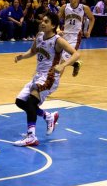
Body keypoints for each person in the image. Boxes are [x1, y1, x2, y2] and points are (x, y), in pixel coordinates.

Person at [13, 12, 80, 147]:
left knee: (31, 102)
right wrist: (22, 56)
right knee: (20, 102)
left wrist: (63, 65)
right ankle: (48, 116)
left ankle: (31, 136)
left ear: (53, 25)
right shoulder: (38, 36)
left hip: (49, 77)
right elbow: (32, 51)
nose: (42, 23)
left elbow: (76, 53)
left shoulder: (58, 40)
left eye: (46, 21)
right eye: (42, 20)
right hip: (38, 75)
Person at [58, 0, 95, 77]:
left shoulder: (84, 8)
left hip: (75, 37)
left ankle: (54, 83)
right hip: (64, 35)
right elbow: (56, 20)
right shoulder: (64, 7)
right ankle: (76, 64)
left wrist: (88, 31)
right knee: (58, 58)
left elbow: (92, 19)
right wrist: (58, 29)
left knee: (63, 61)